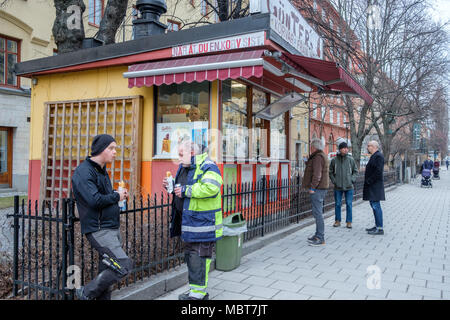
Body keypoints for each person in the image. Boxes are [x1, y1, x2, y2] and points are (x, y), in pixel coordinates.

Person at [71, 134, 133, 300]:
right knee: (124, 265)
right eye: (111, 148)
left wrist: (116, 194)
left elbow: (102, 195)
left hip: (111, 227)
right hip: (99, 230)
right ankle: (86, 292)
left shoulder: (102, 171)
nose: (114, 152)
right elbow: (94, 200)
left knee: (106, 275)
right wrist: (116, 196)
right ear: (100, 150)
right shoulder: (83, 172)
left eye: (115, 148)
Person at [164, 135, 223, 300]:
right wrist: (171, 188)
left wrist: (185, 190)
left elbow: (212, 187)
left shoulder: (208, 166)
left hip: (203, 223)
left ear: (191, 152)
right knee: (192, 257)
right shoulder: (185, 166)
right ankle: (196, 291)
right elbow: (181, 189)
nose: (178, 157)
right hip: (190, 222)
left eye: (181, 153)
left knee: (199, 258)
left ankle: (198, 295)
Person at [302, 138, 329, 246]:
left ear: (314, 147)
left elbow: (317, 175)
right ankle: (318, 234)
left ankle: (320, 237)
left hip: (318, 189)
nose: (310, 148)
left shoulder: (318, 157)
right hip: (321, 188)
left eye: (311, 147)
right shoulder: (321, 155)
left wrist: (312, 188)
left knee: (318, 213)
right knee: (317, 212)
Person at [329, 141, 358, 229]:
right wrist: (334, 181)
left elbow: (355, 171)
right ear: (340, 149)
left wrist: (352, 180)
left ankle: (349, 222)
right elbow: (330, 172)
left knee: (349, 204)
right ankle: (337, 221)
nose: (346, 149)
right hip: (338, 187)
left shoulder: (350, 159)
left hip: (349, 187)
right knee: (338, 204)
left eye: (346, 148)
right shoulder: (334, 160)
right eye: (344, 148)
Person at [363, 140, 385, 235]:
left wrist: (369, 181)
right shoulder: (374, 155)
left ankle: (380, 228)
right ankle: (377, 226)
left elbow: (378, 172)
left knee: (376, 206)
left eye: (369, 146)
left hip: (375, 186)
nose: (368, 147)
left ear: (374, 147)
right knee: (374, 206)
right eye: (368, 146)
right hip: (372, 186)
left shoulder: (378, 156)